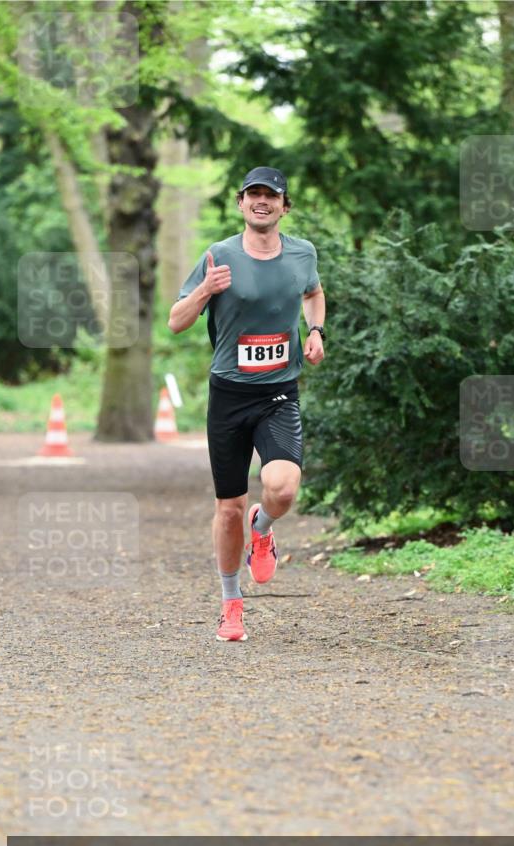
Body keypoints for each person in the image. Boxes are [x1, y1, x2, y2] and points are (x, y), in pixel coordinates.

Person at [168, 166, 325, 642]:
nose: (262, 202)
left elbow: (313, 293)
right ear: (240, 203)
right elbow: (176, 322)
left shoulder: (302, 253)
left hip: (278, 391)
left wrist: (315, 330)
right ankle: (231, 604)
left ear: (284, 205)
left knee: (282, 488)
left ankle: (266, 526)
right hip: (230, 396)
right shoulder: (219, 255)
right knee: (229, 508)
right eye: (253, 195)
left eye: (271, 196)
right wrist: (204, 290)